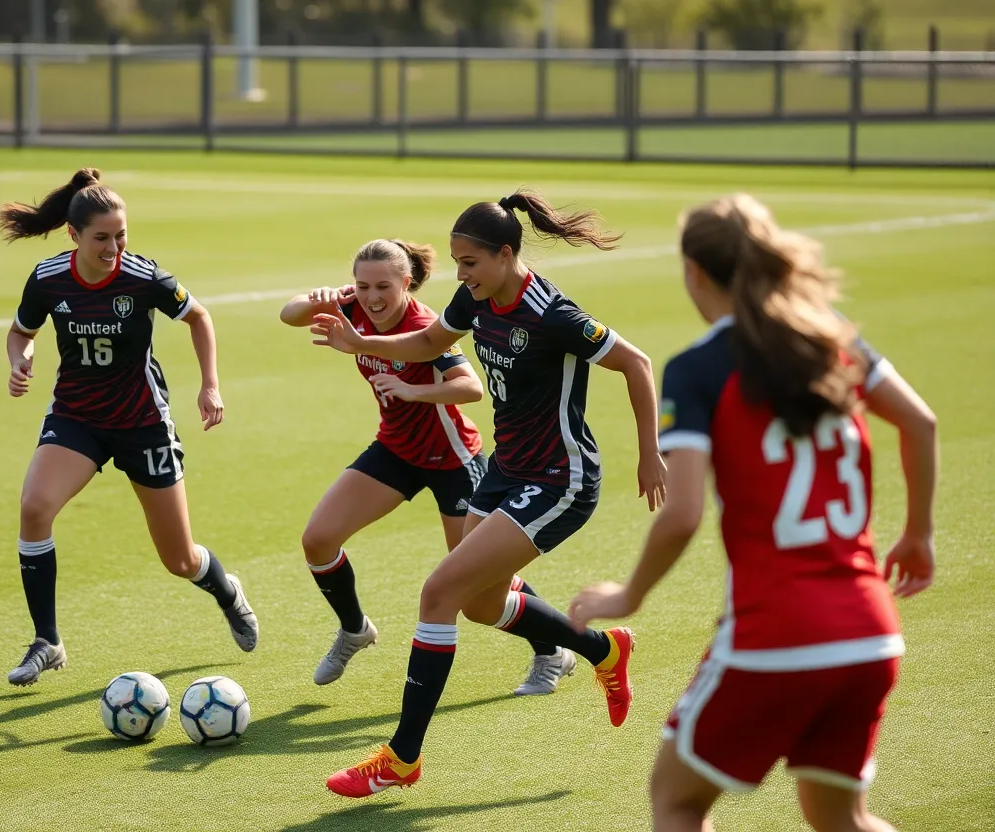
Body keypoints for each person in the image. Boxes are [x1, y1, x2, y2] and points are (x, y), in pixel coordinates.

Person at [568, 194, 937, 832]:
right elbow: (920, 421)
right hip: (872, 631)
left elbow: (681, 513)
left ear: (695, 272)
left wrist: (627, 595)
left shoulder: (700, 368)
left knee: (676, 800)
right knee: (840, 819)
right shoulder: (832, 341)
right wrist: (919, 533)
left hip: (777, 634)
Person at [311, 191, 667, 798]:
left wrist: (651, 452)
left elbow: (637, 363)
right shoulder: (474, 298)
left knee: (439, 591)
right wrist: (361, 342)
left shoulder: (552, 313)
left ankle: (401, 759)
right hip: (506, 470)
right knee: (479, 604)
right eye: (456, 262)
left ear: (505, 255)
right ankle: (601, 649)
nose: (460, 274)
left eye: (470, 262)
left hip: (561, 479)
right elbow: (427, 346)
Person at [0, 168, 258, 686]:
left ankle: (226, 590)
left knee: (180, 560)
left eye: (121, 235)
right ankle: (47, 641)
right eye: (102, 238)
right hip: (77, 417)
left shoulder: (142, 277)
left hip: (143, 424)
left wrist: (210, 385)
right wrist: (20, 359)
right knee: (34, 507)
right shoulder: (49, 278)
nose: (114, 246)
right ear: (74, 236)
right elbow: (20, 332)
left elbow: (199, 318)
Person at [280, 239, 574, 696]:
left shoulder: (423, 326)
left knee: (483, 578)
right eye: (362, 285)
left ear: (406, 283)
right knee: (318, 540)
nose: (372, 297)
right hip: (396, 451)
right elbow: (289, 314)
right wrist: (317, 299)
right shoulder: (353, 308)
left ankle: (552, 650)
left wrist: (412, 390)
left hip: (454, 461)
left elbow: (471, 387)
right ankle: (355, 629)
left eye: (383, 286)